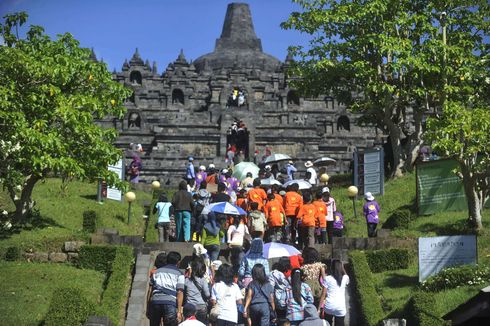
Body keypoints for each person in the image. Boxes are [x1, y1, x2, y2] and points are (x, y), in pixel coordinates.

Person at [146, 252, 185, 326]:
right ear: (178, 262)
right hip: (170, 303)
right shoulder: (180, 274)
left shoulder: (156, 272)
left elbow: (150, 290)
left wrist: (148, 307)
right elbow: (180, 292)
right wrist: (179, 311)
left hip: (155, 302)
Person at [319, 260, 349, 326]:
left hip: (329, 306)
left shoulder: (327, 279)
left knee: (327, 324)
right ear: (341, 267)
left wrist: (318, 309)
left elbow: (323, 295)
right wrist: (343, 268)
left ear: (331, 268)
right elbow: (346, 275)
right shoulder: (345, 278)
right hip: (340, 307)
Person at [181, 258, 210, 325]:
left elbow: (184, 293)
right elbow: (207, 294)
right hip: (201, 307)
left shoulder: (187, 280)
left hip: (190, 307)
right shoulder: (203, 280)